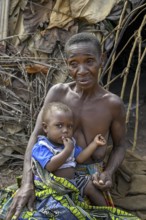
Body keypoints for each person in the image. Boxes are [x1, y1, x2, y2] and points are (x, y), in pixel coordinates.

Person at [6, 32, 127, 220]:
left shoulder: (112, 104)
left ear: (101, 60)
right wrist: (27, 182)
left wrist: (109, 173)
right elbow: (36, 136)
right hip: (50, 175)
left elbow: (120, 146)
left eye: (89, 61)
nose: (82, 71)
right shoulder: (58, 93)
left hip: (89, 182)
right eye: (74, 64)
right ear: (67, 64)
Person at [32, 101, 107, 206]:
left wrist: (94, 144)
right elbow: (50, 166)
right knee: (56, 206)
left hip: (73, 181)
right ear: (45, 128)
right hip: (54, 186)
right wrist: (67, 150)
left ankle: (108, 212)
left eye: (70, 126)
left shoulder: (70, 143)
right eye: (59, 125)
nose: (65, 130)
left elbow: (80, 158)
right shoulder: (42, 146)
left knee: (90, 186)